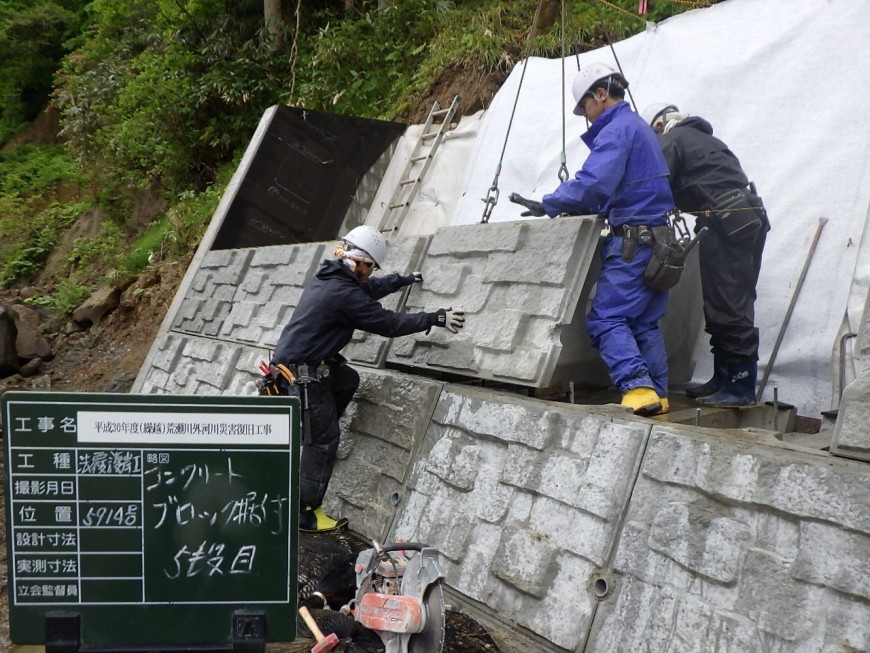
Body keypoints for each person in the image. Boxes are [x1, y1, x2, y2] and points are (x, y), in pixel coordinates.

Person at [271, 225, 465, 532]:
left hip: (303, 365)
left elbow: (368, 290)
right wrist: (434, 317)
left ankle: (312, 428)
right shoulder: (342, 293)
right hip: (300, 376)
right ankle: (304, 511)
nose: (370, 273)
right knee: (324, 441)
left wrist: (402, 281)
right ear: (359, 262)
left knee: (347, 380)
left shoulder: (333, 276)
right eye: (370, 267)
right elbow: (388, 322)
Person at [514, 62, 677, 417]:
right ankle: (658, 395)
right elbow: (627, 186)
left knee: (605, 319)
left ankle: (637, 388)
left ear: (601, 94)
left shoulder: (617, 129)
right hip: (659, 241)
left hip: (633, 243)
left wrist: (549, 203)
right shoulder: (640, 128)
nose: (586, 117)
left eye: (585, 106)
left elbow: (594, 182)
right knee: (643, 322)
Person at [642, 103, 769, 407]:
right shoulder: (707, 140)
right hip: (745, 219)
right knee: (729, 298)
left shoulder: (673, 140)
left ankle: (740, 385)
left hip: (726, 223)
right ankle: (724, 376)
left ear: (659, 126)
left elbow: (655, 184)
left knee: (727, 301)